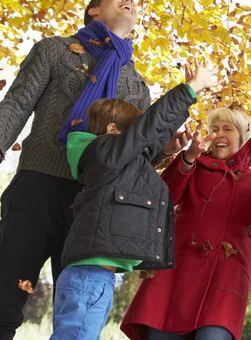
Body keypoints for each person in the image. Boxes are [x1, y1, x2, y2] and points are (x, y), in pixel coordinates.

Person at [0, 0, 155, 340]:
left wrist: (165, 149)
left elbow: (136, 150)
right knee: (6, 292)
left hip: (96, 203)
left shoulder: (137, 84)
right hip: (38, 185)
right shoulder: (55, 50)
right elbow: (17, 103)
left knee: (79, 313)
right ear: (94, 11)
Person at [49, 59, 218, 339]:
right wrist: (190, 89)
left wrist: (166, 145)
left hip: (95, 276)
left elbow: (143, 144)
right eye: (132, 133)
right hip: (89, 276)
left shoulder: (108, 161)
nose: (141, 144)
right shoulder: (103, 152)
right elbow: (145, 131)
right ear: (113, 131)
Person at [120, 108, 251, 340]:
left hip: (225, 279)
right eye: (214, 129)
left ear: (242, 138)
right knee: (162, 333)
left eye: (227, 129)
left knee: (213, 335)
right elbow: (166, 196)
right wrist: (188, 157)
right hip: (176, 272)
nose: (219, 134)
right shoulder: (194, 166)